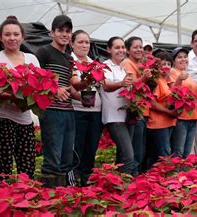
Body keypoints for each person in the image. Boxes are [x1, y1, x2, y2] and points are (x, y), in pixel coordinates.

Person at [0, 16, 38, 184]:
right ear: (0, 37)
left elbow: (39, 87)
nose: (12, 38)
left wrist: (28, 96)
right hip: (3, 119)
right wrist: (12, 95)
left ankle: (25, 202)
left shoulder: (31, 59)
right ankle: (2, 201)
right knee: (3, 167)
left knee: (28, 165)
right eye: (7, 34)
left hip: (25, 120)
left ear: (22, 37)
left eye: (16, 34)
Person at [35, 15, 76, 187]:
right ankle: (50, 198)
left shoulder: (69, 58)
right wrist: (54, 89)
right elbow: (36, 80)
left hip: (68, 111)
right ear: (52, 33)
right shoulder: (44, 52)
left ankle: (64, 198)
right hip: (51, 111)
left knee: (67, 157)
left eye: (68, 31)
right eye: (60, 30)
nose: (64, 34)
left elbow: (71, 86)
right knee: (53, 157)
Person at [69, 30, 102, 186]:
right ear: (72, 44)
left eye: (87, 42)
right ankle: (75, 181)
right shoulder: (70, 61)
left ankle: (87, 180)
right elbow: (71, 86)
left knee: (91, 147)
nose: (84, 45)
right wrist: (79, 98)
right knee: (77, 147)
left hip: (95, 111)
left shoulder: (93, 63)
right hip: (77, 110)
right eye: (80, 42)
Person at [100, 36, 135, 175]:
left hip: (126, 117)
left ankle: (116, 185)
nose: (121, 50)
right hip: (114, 117)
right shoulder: (105, 66)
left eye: (122, 47)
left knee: (122, 156)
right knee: (128, 156)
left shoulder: (123, 69)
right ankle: (125, 187)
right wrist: (121, 83)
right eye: (117, 47)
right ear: (109, 49)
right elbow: (106, 86)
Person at [121, 36, 151, 174]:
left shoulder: (141, 64)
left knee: (140, 151)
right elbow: (132, 87)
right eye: (135, 47)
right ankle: (131, 179)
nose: (139, 50)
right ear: (128, 50)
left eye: (141, 47)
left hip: (142, 111)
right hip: (135, 112)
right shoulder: (127, 63)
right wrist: (144, 78)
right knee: (135, 152)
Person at [169, 47, 197, 158]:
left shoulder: (187, 75)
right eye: (179, 57)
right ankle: (175, 174)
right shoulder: (172, 72)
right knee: (178, 151)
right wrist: (179, 79)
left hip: (193, 116)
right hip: (181, 117)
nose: (183, 59)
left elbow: (194, 95)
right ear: (173, 61)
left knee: (186, 153)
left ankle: (185, 175)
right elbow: (171, 92)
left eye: (185, 57)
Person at [147, 52, 178, 159]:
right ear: (157, 66)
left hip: (169, 122)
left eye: (169, 64)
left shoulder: (167, 81)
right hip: (158, 124)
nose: (166, 67)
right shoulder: (156, 80)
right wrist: (169, 112)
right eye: (163, 64)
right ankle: (167, 175)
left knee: (159, 154)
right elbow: (151, 103)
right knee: (164, 153)